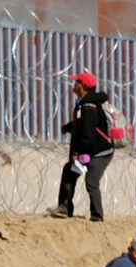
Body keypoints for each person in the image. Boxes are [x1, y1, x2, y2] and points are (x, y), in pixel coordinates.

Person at [49, 73, 115, 222]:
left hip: (101, 152)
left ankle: (97, 217)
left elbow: (87, 132)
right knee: (69, 171)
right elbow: (82, 125)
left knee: (92, 182)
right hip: (92, 149)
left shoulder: (89, 106)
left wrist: (77, 153)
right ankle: (65, 208)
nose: (75, 84)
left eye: (77, 82)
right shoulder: (84, 103)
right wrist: (68, 127)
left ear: (83, 86)